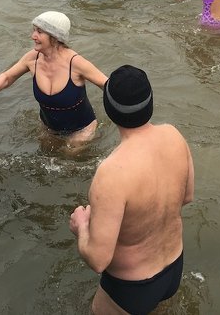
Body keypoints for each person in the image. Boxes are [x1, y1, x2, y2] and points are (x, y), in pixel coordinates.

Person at [69, 64, 194, 315]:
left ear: (109, 109)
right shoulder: (174, 135)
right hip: (173, 267)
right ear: (150, 102)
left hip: (131, 286)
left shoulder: (111, 173)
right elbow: (187, 197)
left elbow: (98, 260)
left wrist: (81, 226)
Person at [0, 12, 107, 146]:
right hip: (48, 127)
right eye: (34, 30)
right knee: (44, 151)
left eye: (39, 32)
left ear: (55, 37)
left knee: (70, 155)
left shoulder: (76, 63)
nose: (33, 36)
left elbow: (107, 85)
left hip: (81, 130)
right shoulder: (33, 58)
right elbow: (8, 76)